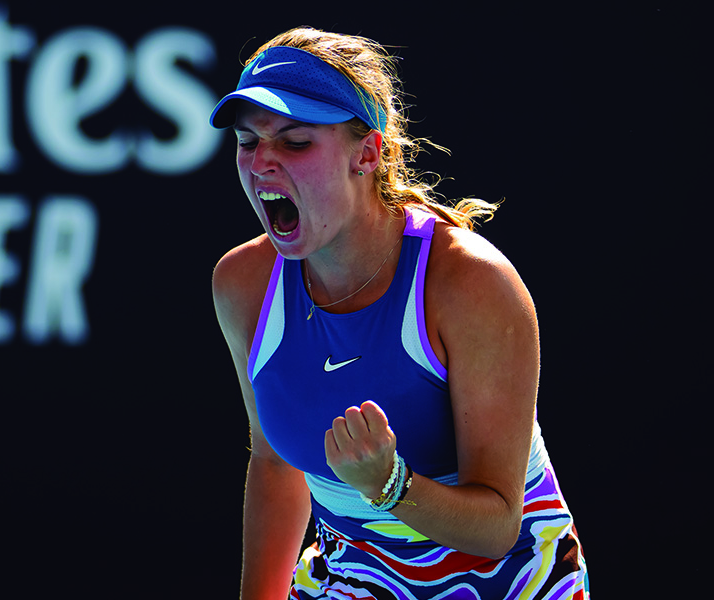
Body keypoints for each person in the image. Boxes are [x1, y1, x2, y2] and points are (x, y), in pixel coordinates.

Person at [210, 26, 589, 600]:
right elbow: (274, 463)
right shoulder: (242, 284)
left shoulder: (471, 283)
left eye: (295, 142)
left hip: (510, 581)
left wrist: (390, 485)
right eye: (247, 141)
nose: (261, 162)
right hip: (352, 575)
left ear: (367, 153)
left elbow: (496, 527)